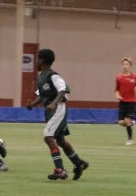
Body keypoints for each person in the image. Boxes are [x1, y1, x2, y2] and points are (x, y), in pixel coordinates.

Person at [26, 49, 89, 181]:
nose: (36, 61)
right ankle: (79, 163)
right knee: (60, 140)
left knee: (48, 137)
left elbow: (64, 89)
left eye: (38, 59)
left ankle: (60, 170)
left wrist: (54, 103)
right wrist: (32, 103)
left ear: (42, 60)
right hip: (50, 110)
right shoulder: (41, 76)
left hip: (58, 109)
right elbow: (42, 95)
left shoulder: (53, 76)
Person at [115, 57, 136, 145]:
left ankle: (130, 139)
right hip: (122, 102)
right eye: (123, 64)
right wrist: (118, 95)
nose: (125, 66)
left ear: (130, 66)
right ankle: (131, 123)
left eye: (127, 64)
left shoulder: (135, 77)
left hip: (132, 102)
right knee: (120, 122)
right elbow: (116, 89)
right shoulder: (119, 77)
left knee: (127, 120)